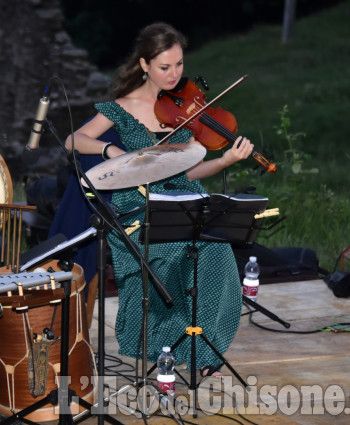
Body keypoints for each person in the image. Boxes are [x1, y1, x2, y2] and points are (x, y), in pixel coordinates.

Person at [65, 23, 254, 377]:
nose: (174, 75)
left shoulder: (186, 109)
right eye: (165, 67)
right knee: (168, 253)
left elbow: (186, 173)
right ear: (144, 64)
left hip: (182, 199)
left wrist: (226, 160)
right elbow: (72, 141)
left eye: (179, 65)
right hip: (137, 206)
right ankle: (161, 343)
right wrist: (108, 148)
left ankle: (204, 347)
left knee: (218, 252)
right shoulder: (121, 106)